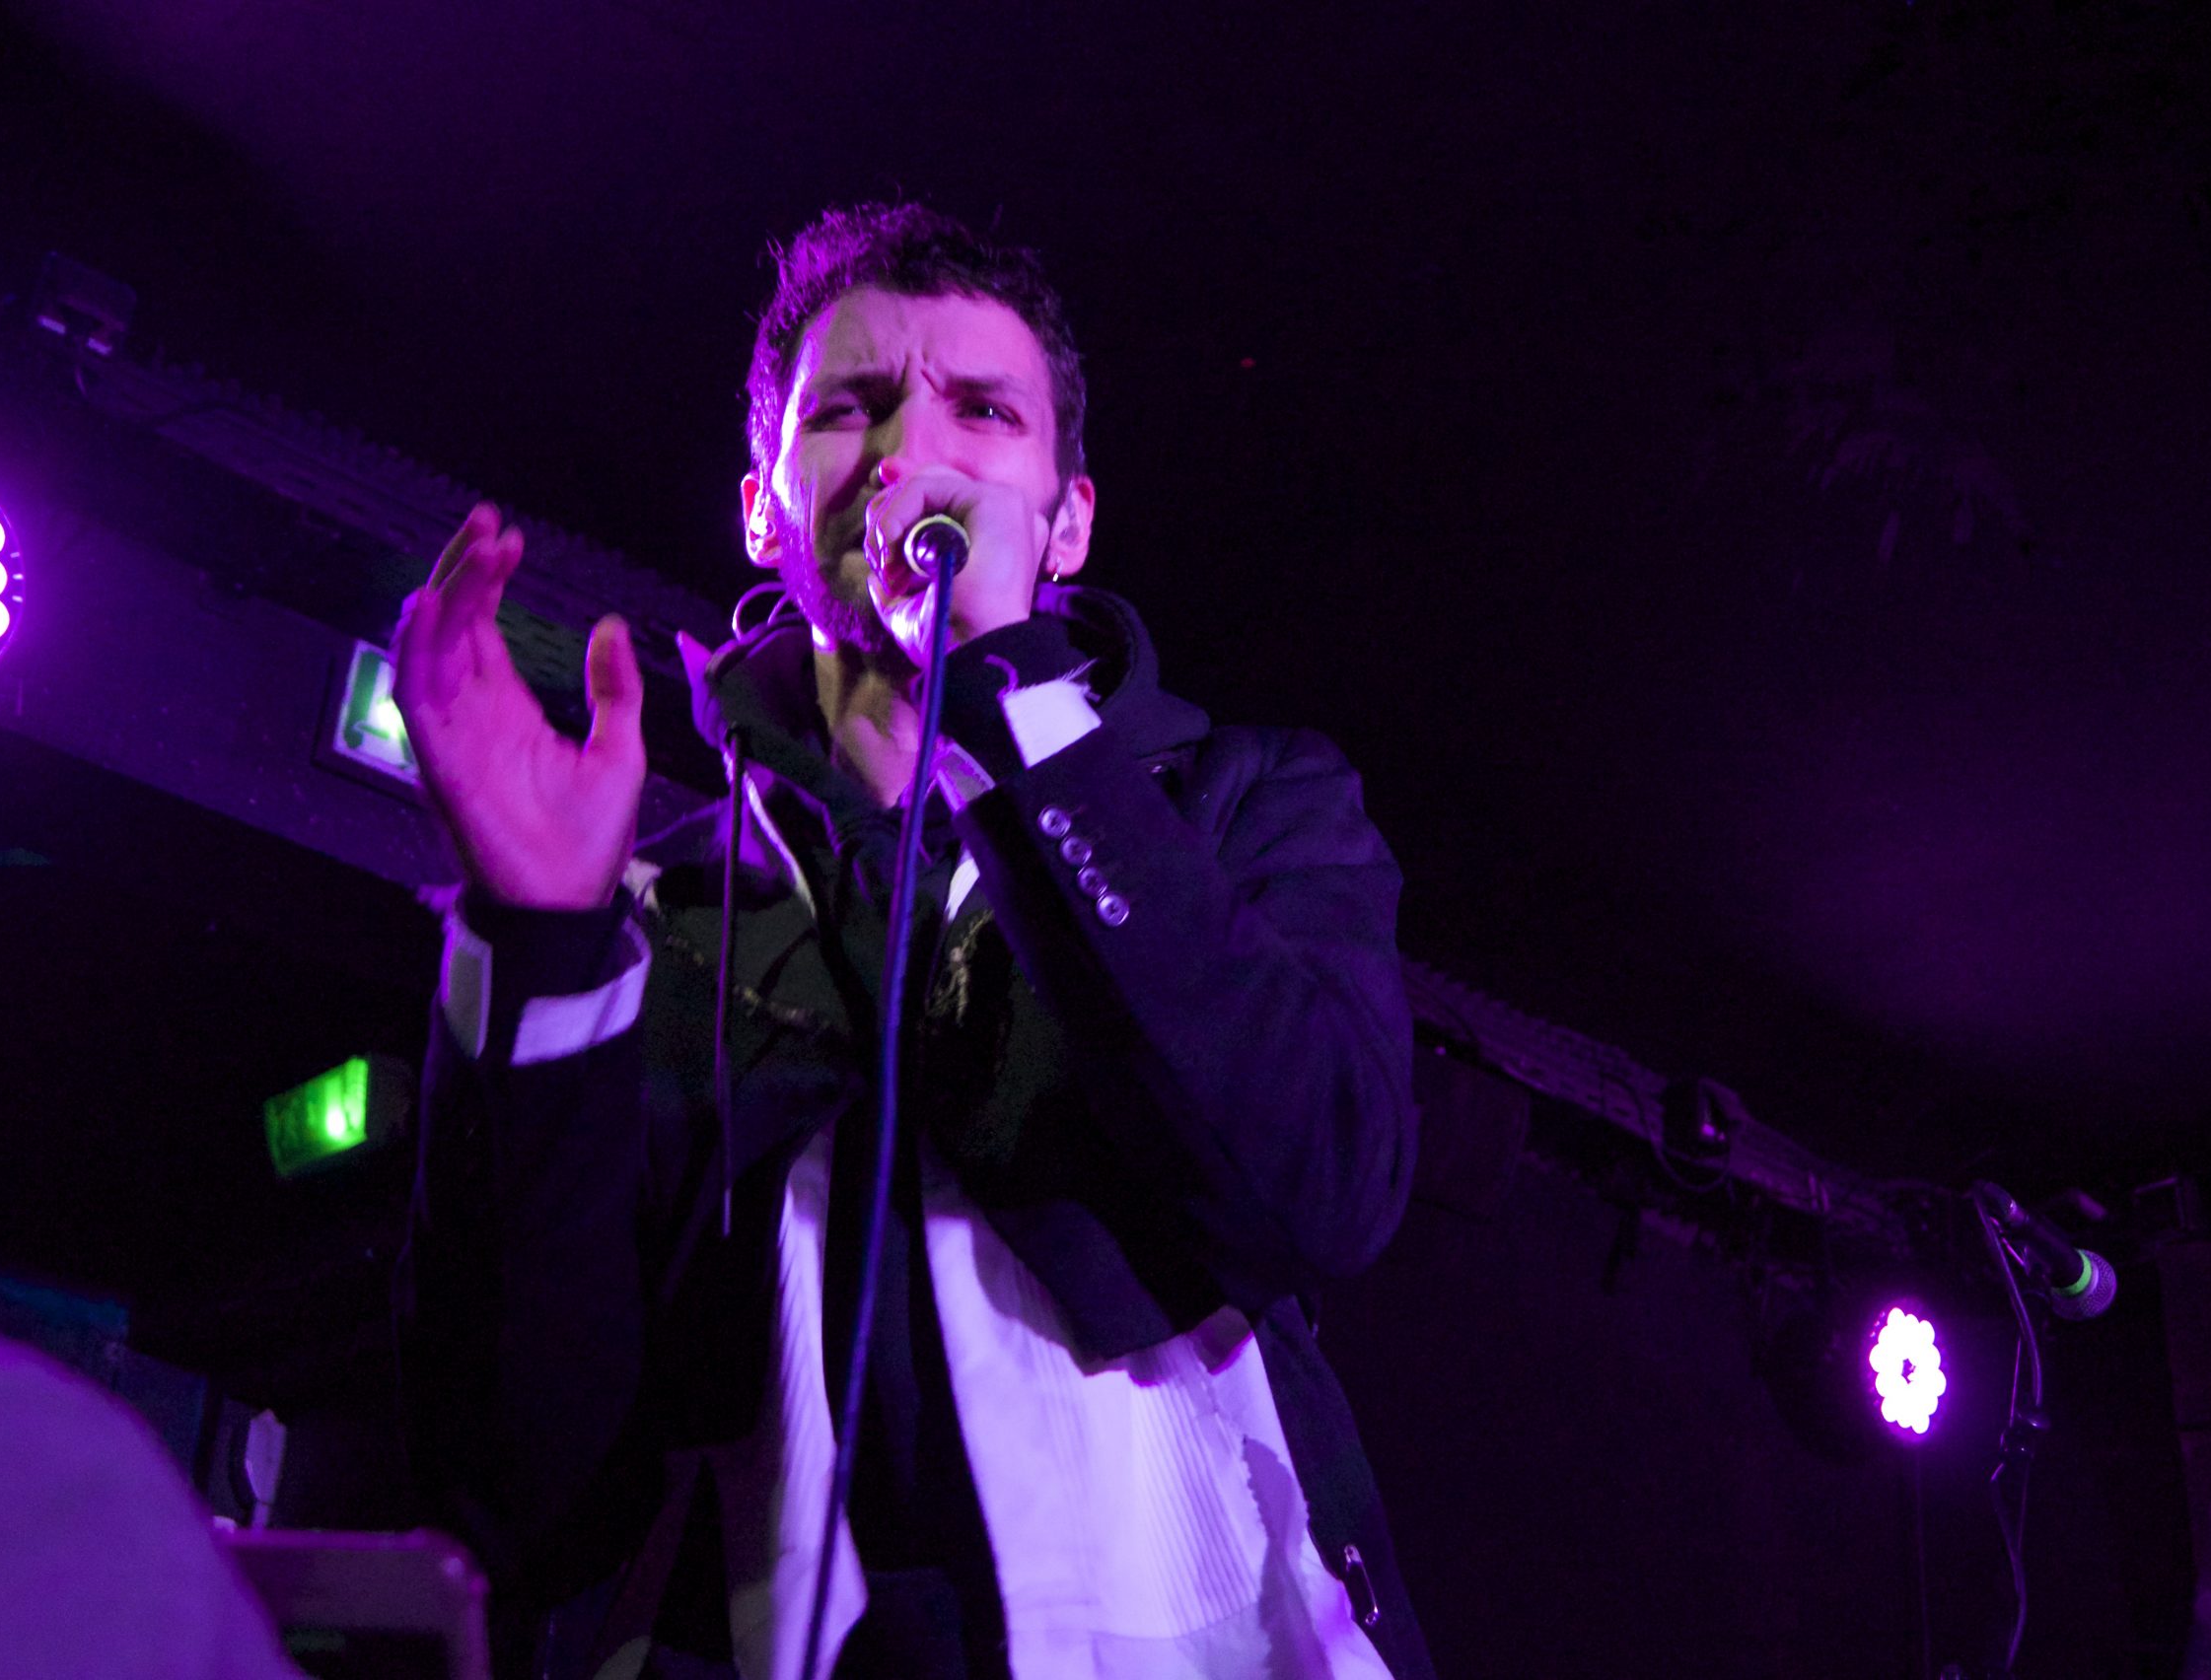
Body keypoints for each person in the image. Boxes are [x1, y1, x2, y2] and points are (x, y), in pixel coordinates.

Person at [392, 202, 1432, 1680]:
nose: (907, 456)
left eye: (984, 412)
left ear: (1067, 521)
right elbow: (519, 1496)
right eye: (851, 409)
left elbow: (1321, 1184)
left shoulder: (1242, 806)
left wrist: (1012, 698)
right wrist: (543, 948)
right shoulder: (665, 919)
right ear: (763, 509)